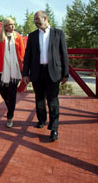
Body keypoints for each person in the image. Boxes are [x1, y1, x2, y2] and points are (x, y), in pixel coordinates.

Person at [22, 10, 69, 142]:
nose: (35, 22)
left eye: (37, 19)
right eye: (34, 20)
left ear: (45, 18)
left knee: (53, 100)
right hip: (37, 71)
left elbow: (64, 54)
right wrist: (25, 73)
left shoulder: (58, 33)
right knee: (39, 98)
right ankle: (41, 119)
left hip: (53, 72)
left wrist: (66, 73)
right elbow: (28, 56)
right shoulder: (32, 36)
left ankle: (54, 128)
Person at [0, 18, 25, 128]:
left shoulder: (18, 37)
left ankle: (10, 115)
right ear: (5, 26)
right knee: (2, 91)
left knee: (12, 93)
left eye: (14, 24)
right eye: (10, 25)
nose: (13, 26)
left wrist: (16, 63)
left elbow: (22, 52)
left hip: (15, 70)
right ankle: (10, 106)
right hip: (2, 69)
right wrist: (4, 61)